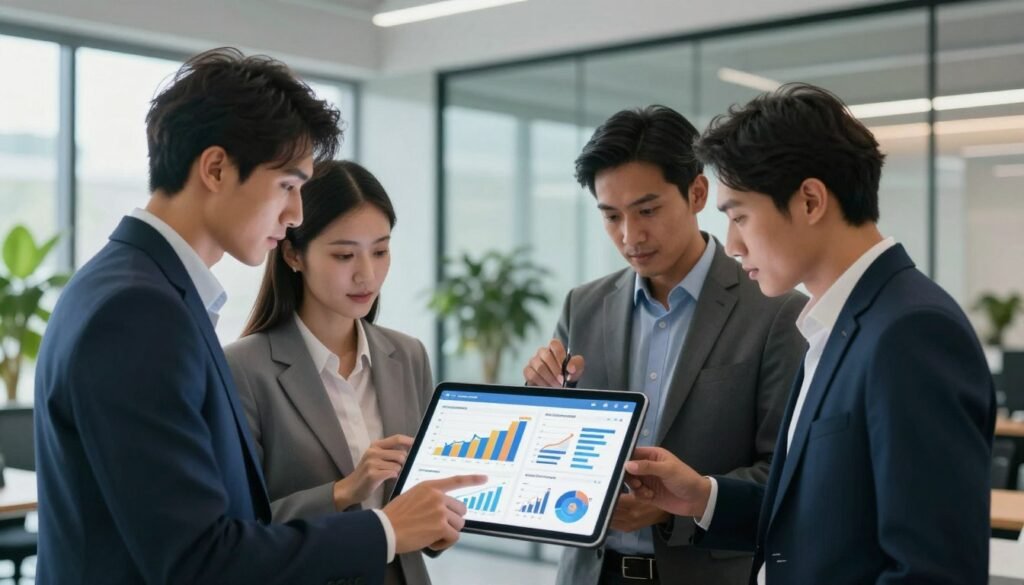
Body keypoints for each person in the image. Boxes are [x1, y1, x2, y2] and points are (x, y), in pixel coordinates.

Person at [33, 48, 483, 585]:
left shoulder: (133, 287)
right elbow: (199, 559)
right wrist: (385, 530)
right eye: (288, 186)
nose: (294, 214)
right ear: (217, 168)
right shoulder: (138, 310)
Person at [625, 83, 995, 585]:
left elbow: (932, 571)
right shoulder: (834, 325)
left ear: (810, 200)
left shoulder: (911, 332)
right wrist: (702, 497)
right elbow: (821, 520)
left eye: (740, 216)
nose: (732, 243)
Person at [522, 105, 807, 585]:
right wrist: (541, 401)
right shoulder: (583, 306)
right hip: (590, 574)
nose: (630, 236)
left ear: (697, 193)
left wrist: (667, 511)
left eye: (648, 210)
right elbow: (552, 449)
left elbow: (784, 474)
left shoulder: (775, 311)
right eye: (611, 216)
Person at [224, 160, 435, 585]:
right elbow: (238, 531)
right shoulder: (243, 368)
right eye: (344, 255)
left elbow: (428, 519)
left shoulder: (407, 355)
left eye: (380, 251)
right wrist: (344, 491)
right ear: (292, 254)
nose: (367, 274)